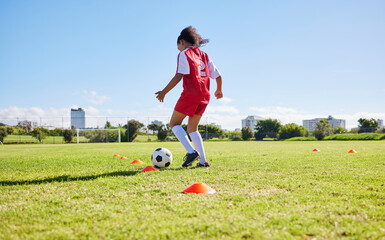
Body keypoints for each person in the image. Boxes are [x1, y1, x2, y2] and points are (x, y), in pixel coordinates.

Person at [155, 26, 223, 168]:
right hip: (205, 95)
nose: (179, 49)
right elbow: (218, 75)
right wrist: (219, 90)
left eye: (178, 46)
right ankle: (203, 161)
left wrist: (164, 91)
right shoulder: (204, 55)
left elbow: (179, 76)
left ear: (182, 42)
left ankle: (192, 152)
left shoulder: (184, 54)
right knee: (193, 128)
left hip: (191, 93)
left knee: (174, 124)